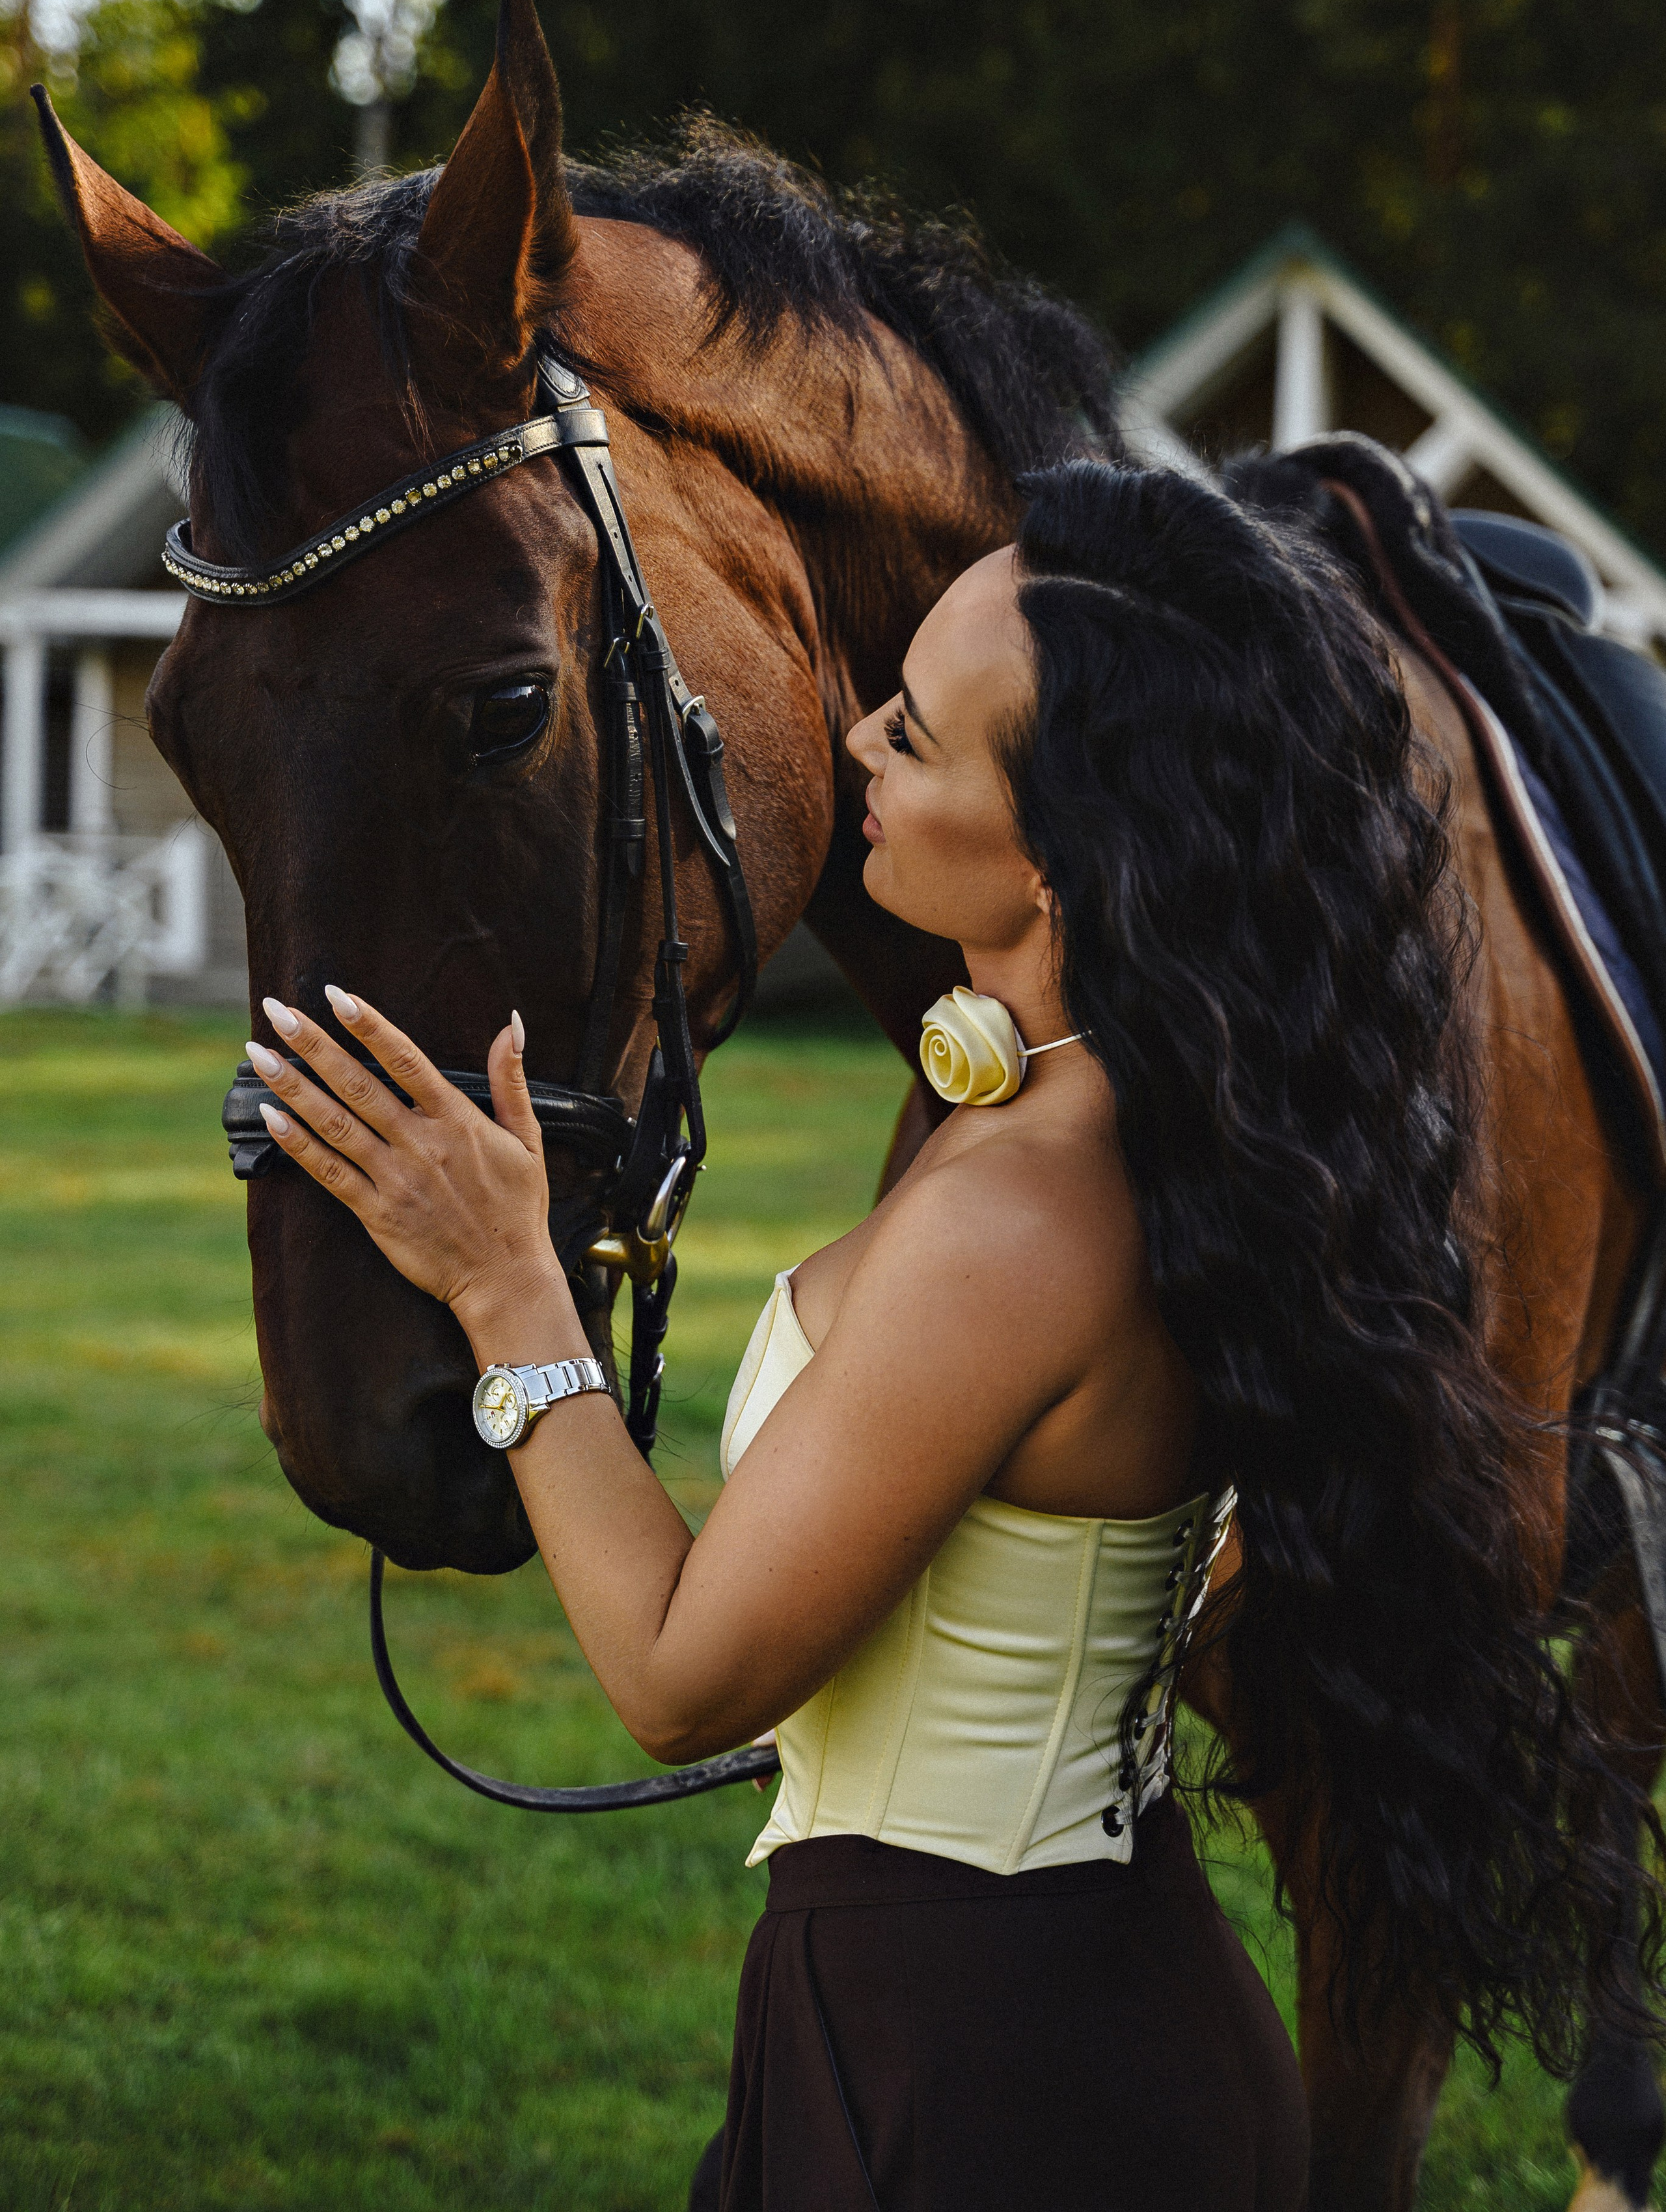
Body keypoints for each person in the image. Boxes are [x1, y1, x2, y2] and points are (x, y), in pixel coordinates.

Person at [243, 460, 1644, 2211]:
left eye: (914, 733)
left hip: (991, 2062)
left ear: (1063, 850)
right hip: (1043, 1987)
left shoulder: (1016, 1219)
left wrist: (508, 1285)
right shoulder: (1167, 1129)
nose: (860, 756)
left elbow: (681, 1680)